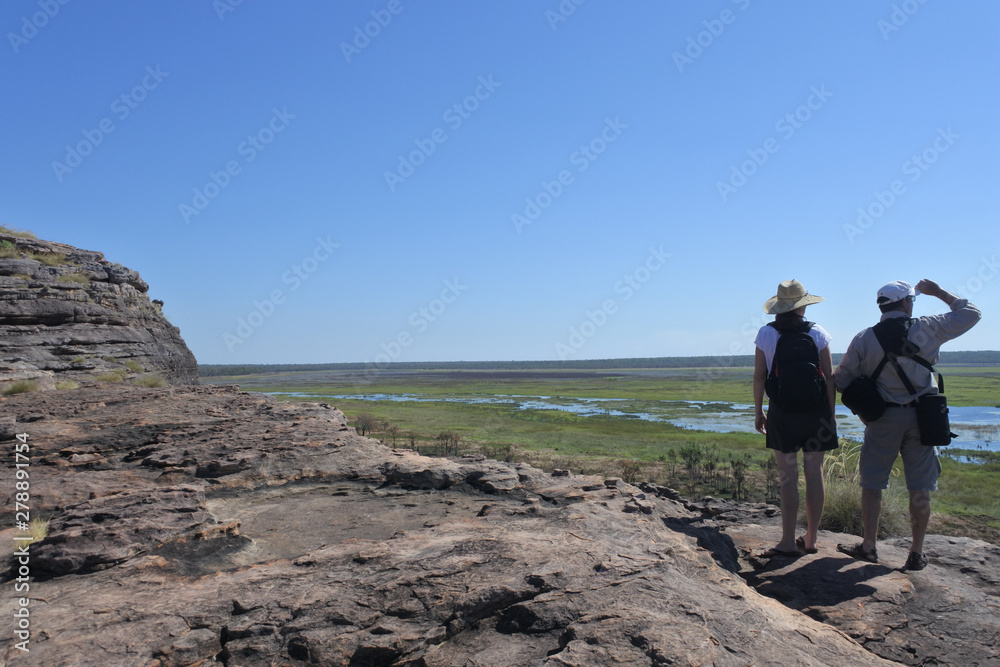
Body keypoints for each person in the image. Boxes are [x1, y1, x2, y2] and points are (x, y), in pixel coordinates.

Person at [835, 279, 981, 571]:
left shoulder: (864, 338)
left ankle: (869, 546)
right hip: (925, 418)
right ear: (906, 303)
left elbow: (841, 379)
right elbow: (972, 313)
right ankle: (916, 553)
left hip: (883, 419)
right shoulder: (927, 327)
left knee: (872, 484)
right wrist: (939, 292)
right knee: (920, 488)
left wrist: (863, 412)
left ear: (882, 305)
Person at [754, 279, 838, 557]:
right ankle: (811, 539)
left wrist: (759, 411)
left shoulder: (766, 334)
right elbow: (829, 379)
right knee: (815, 473)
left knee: (787, 477)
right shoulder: (818, 332)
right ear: (803, 306)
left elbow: (759, 376)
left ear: (779, 307)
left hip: (782, 413)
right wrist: (831, 415)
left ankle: (788, 541)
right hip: (816, 414)